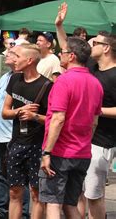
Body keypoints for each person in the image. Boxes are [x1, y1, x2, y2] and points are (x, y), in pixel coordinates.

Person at [55, 2, 116, 219]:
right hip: (83, 140)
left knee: (93, 194)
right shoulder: (91, 66)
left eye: (95, 42)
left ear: (106, 48)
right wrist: (60, 26)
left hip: (103, 141)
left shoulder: (114, 75)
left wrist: (95, 109)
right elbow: (67, 51)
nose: (90, 44)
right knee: (77, 192)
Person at [40, 36, 103, 219]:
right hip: (82, 153)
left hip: (60, 152)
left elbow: (58, 118)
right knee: (70, 204)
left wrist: (47, 152)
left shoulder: (64, 81)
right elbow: (94, 122)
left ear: (72, 56)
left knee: (52, 203)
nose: (61, 54)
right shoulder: (96, 84)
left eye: (63, 52)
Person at [2, 43, 52, 219]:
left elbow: (55, 120)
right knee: (14, 192)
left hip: (37, 146)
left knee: (36, 193)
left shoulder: (47, 86)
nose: (13, 59)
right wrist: (19, 111)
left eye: (17, 56)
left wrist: (35, 116)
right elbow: (5, 112)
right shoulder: (14, 79)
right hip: (16, 143)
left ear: (29, 60)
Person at [0, 43, 30, 219]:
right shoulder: (4, 78)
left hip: (14, 137)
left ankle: (22, 214)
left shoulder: (25, 80)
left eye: (13, 53)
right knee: (0, 175)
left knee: (18, 179)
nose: (8, 55)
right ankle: (1, 211)